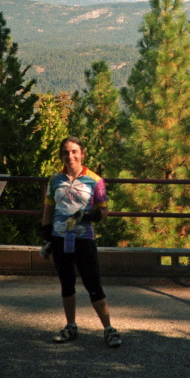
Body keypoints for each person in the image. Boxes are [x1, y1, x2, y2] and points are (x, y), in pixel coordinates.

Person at [40, 136, 121, 347]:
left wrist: (86, 215)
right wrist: (46, 237)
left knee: (93, 283)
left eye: (74, 151)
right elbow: (49, 209)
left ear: (82, 154)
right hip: (60, 239)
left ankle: (109, 329)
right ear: (61, 155)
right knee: (66, 283)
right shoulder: (54, 179)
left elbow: (104, 211)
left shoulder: (95, 180)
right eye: (66, 152)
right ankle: (71, 326)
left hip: (84, 239)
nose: (70, 156)